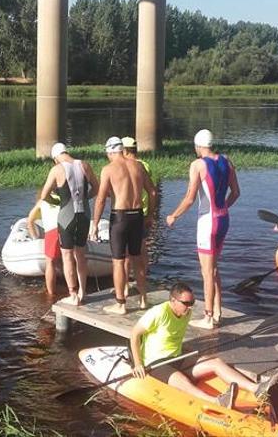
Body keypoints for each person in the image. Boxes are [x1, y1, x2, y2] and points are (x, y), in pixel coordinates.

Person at [130, 282, 278, 409]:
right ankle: (215, 402)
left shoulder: (186, 313)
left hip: (177, 357)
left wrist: (188, 352)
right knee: (182, 379)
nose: (190, 307)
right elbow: (134, 335)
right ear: (173, 301)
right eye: (186, 303)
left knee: (215, 362)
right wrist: (138, 364)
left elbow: (172, 338)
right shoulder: (158, 313)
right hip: (156, 363)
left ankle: (257, 389)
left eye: (192, 303)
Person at [165, 129, 240, 329]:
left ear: (198, 146)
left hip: (208, 222)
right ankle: (217, 311)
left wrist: (174, 215)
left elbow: (190, 198)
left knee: (207, 271)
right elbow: (236, 192)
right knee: (214, 268)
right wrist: (222, 208)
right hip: (223, 219)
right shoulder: (227, 160)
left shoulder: (198, 165)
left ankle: (208, 317)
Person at [90, 136, 157, 314]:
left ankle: (121, 304)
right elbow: (152, 191)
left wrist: (95, 224)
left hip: (120, 218)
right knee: (137, 259)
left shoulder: (108, 169)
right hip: (137, 216)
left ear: (111, 152)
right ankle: (143, 299)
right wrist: (149, 214)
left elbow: (101, 199)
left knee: (118, 262)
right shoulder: (138, 166)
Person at [37, 142, 98, 306]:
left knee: (67, 256)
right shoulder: (85, 165)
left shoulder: (56, 169)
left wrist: (58, 203)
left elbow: (44, 195)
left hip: (66, 216)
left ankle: (73, 295)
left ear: (55, 158)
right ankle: (83, 292)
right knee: (81, 255)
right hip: (84, 215)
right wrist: (85, 199)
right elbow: (96, 189)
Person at [121, 136, 156, 291]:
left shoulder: (125, 166)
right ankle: (143, 279)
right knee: (142, 247)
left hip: (128, 213)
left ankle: (126, 284)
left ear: (124, 150)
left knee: (127, 252)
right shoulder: (145, 165)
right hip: (143, 212)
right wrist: (151, 214)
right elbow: (152, 192)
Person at [27, 192, 62, 295]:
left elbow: (30, 220)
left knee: (50, 262)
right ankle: (73, 290)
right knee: (70, 258)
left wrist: (35, 238)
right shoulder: (66, 197)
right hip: (67, 229)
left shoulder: (42, 201)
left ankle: (51, 293)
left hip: (52, 231)